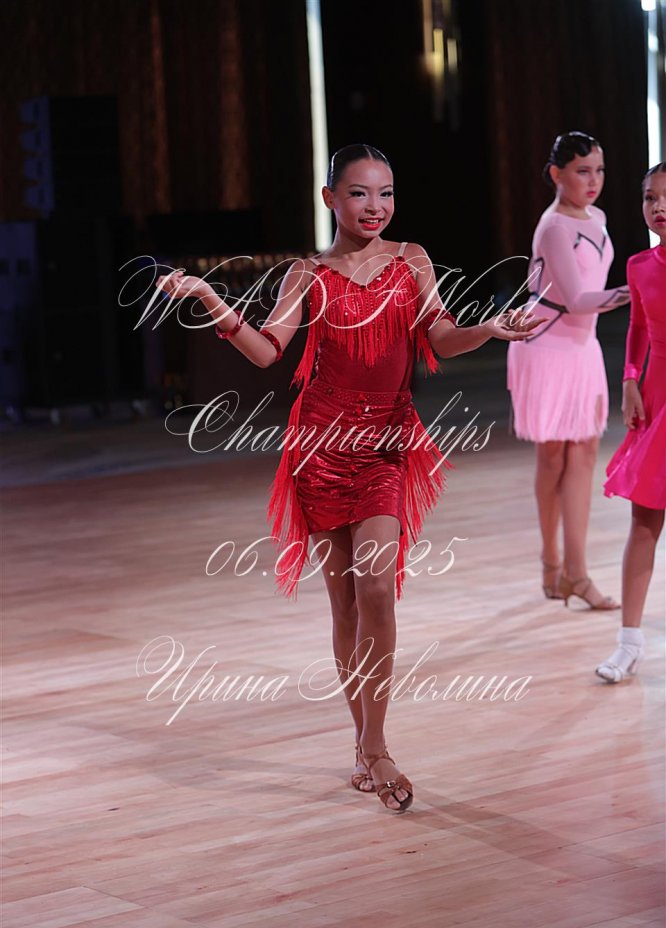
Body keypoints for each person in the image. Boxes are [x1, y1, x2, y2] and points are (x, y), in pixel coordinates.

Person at [156, 144, 542, 812]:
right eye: (360, 193)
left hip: (387, 444)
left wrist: (490, 327)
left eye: (386, 193)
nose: (375, 206)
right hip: (321, 447)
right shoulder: (306, 274)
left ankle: (377, 743)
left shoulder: (412, 260)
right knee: (345, 606)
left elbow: (441, 337)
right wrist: (211, 298)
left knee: (378, 589)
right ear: (330, 198)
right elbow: (266, 351)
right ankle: (363, 745)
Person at [507, 132, 631, 608]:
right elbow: (578, 300)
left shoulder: (597, 218)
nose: (593, 181)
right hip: (546, 346)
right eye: (583, 171)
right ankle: (552, 560)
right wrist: (638, 288)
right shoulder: (553, 227)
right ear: (557, 174)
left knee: (583, 456)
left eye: (599, 170)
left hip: (582, 349)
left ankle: (576, 573)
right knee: (553, 457)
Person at [595, 163, 666, 682]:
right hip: (657, 396)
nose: (658, 207)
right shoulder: (641, 264)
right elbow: (638, 326)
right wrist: (629, 380)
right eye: (650, 198)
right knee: (644, 520)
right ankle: (629, 642)